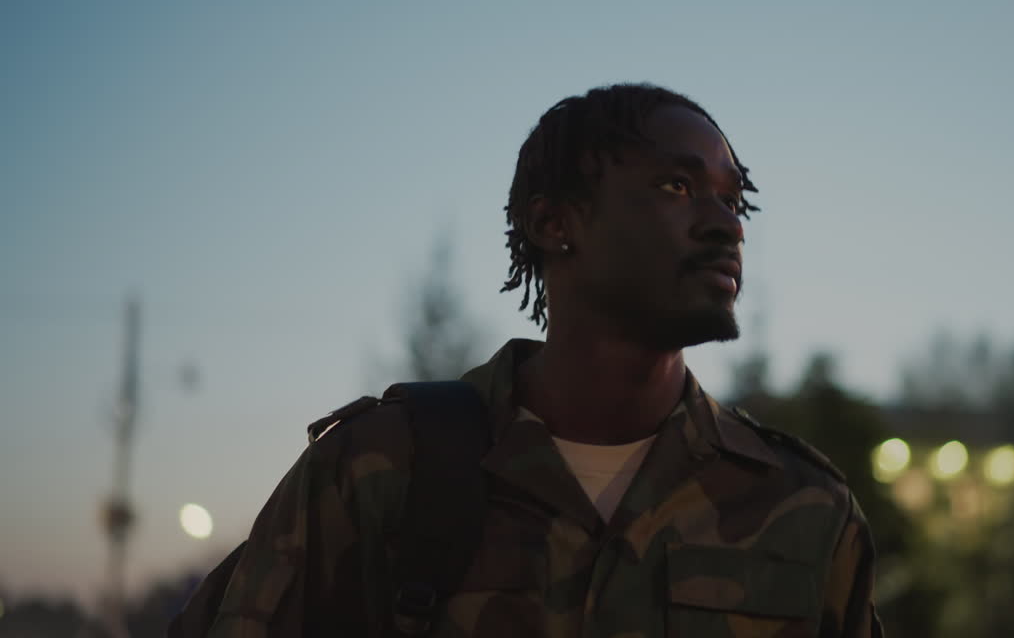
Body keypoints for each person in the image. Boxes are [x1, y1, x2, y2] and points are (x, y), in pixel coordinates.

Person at [177, 83, 883, 637]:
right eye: (677, 186)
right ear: (555, 223)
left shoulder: (805, 509)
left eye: (734, 200)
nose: (725, 223)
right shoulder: (381, 472)